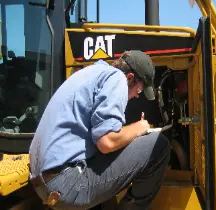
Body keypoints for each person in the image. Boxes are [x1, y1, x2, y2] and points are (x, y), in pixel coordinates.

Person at [29, 50, 171, 210]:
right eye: (139, 91)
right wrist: (140, 127)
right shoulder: (116, 78)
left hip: (44, 181)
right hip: (65, 182)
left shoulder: (91, 72)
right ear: (130, 78)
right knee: (159, 146)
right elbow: (107, 142)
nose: (137, 96)